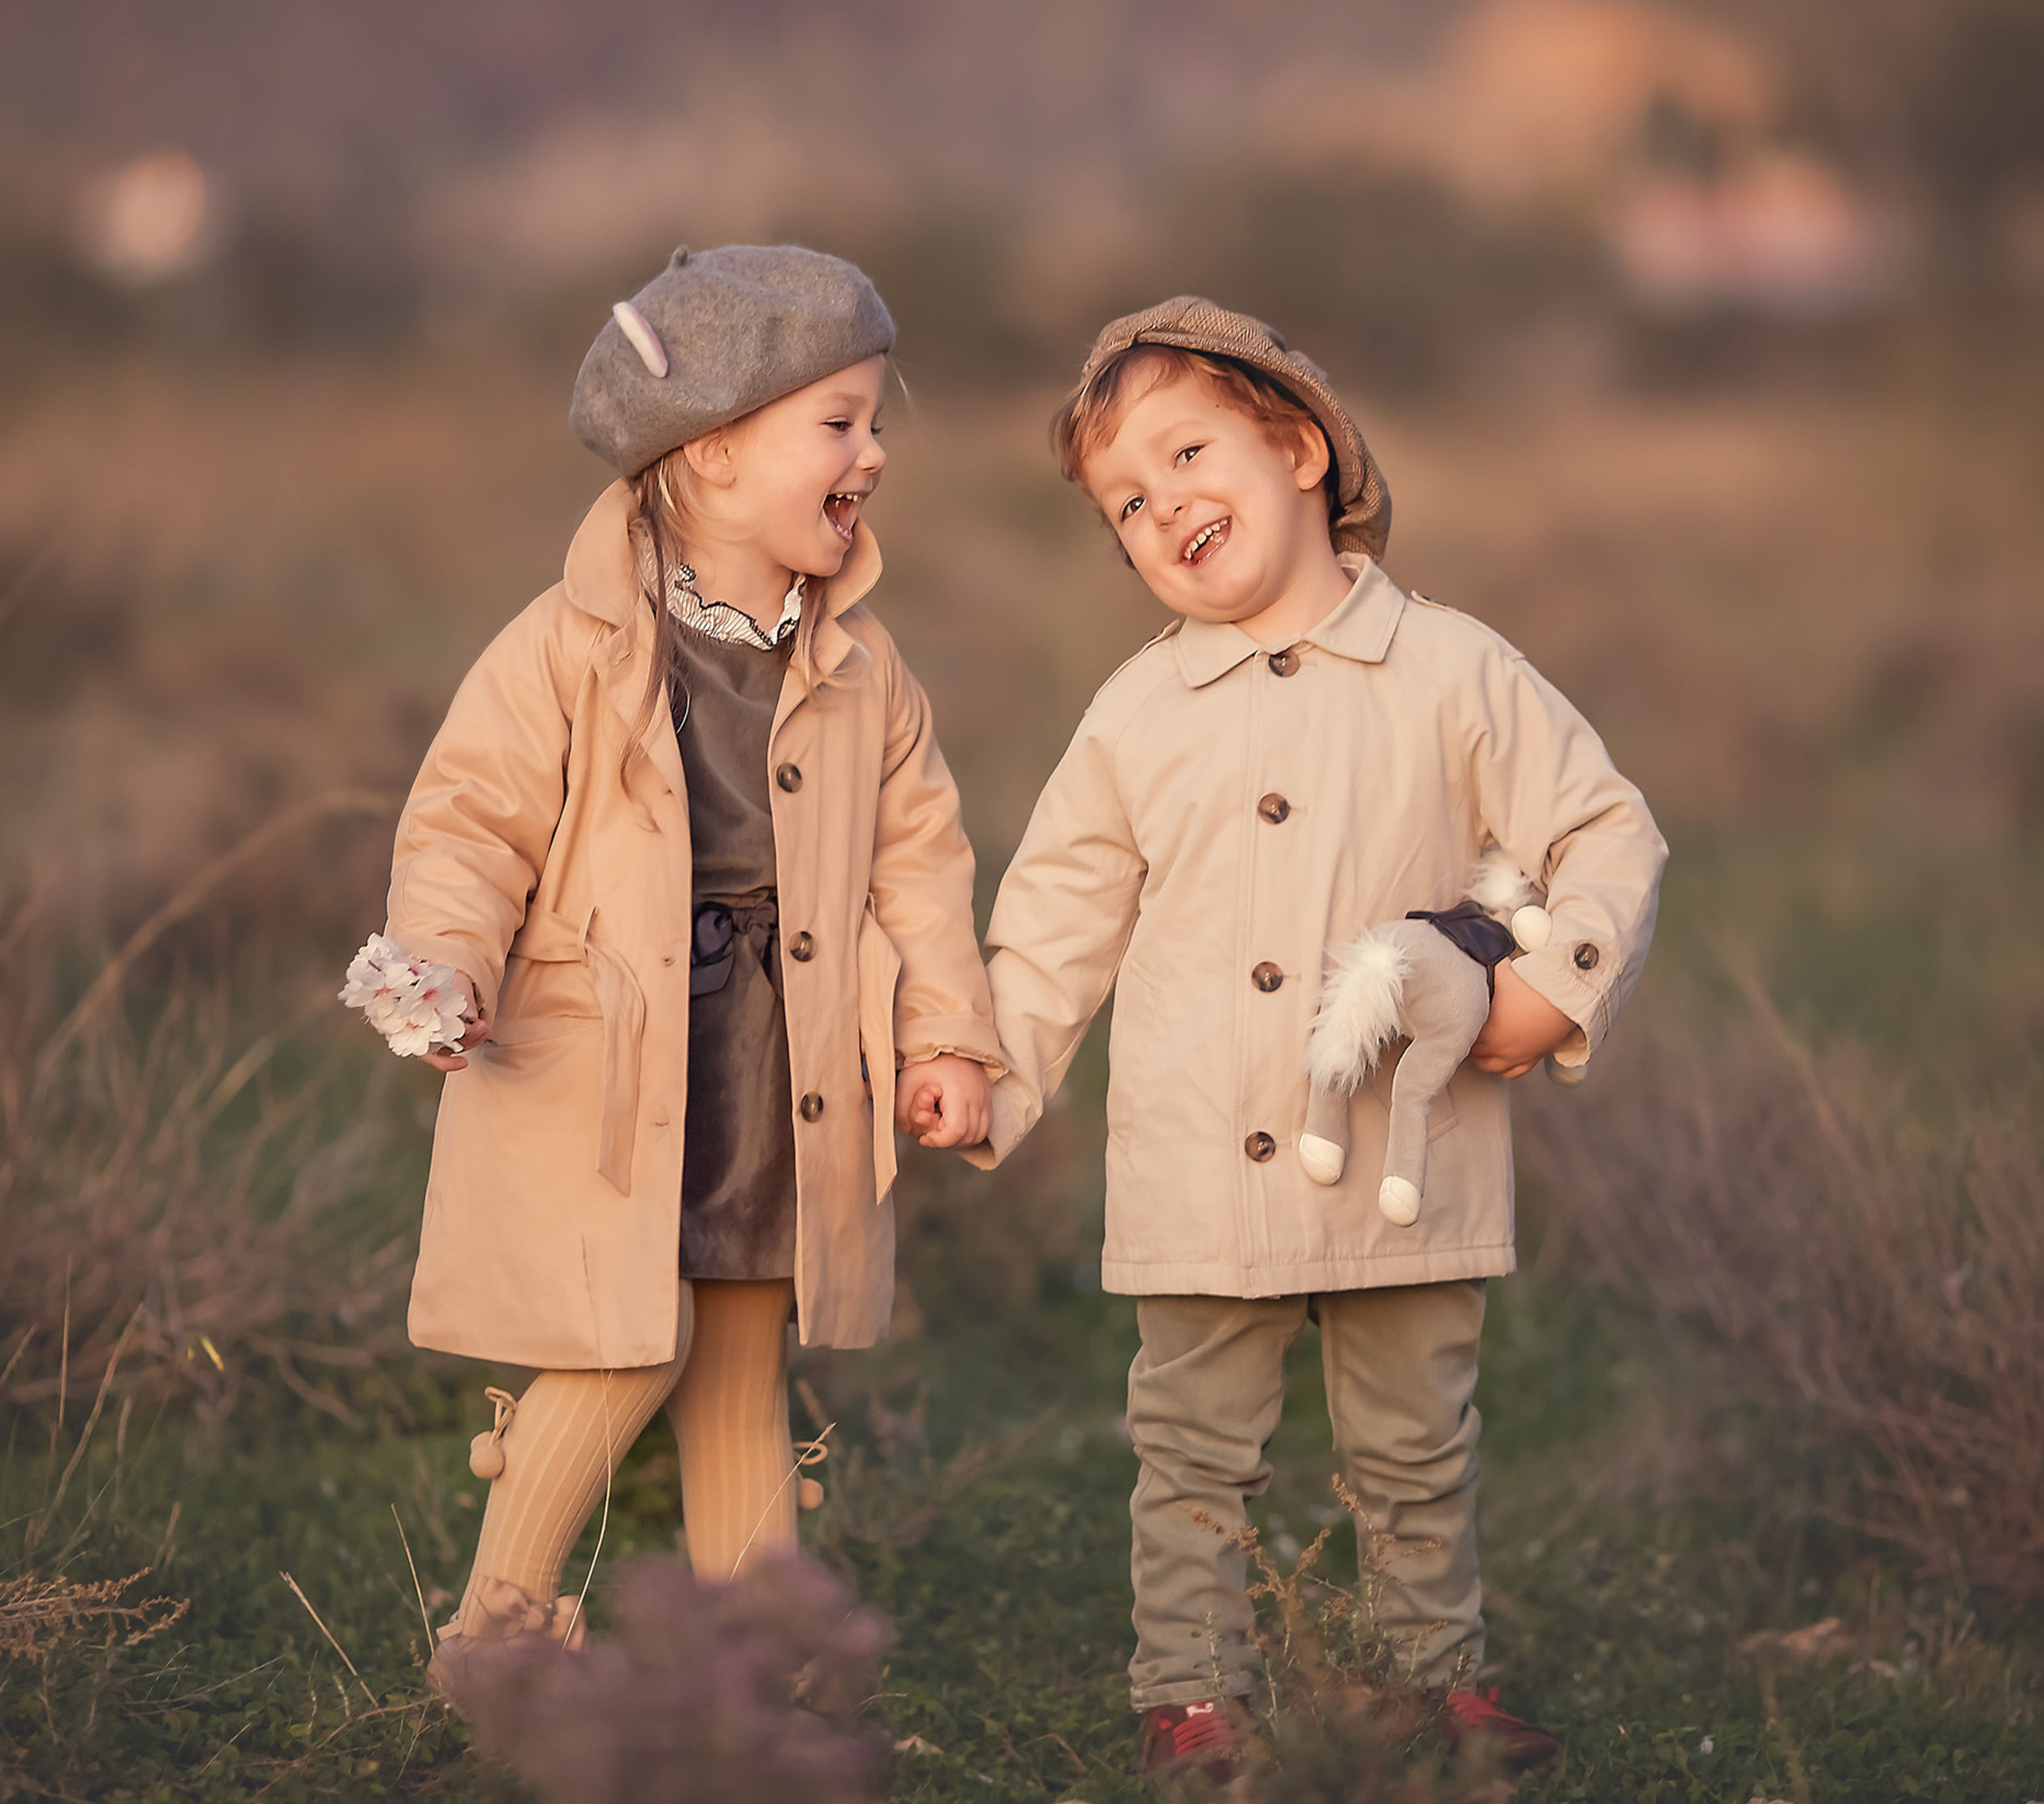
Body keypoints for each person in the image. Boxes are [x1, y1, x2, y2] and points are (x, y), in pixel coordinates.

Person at [969, 296, 1667, 1782]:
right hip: (1200, 1155)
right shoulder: (1138, 712)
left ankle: (1431, 1681)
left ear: (1297, 446)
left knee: (1416, 1443)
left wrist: (1557, 987)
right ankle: (1193, 1694)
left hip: (1405, 1155)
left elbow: (1605, 827)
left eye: (1189, 453)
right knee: (1194, 1449)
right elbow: (1058, 911)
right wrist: (992, 1065)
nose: (1165, 510)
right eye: (1128, 504)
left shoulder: (1452, 668)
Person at [365, 244, 1001, 1692]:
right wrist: (444, 963)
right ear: (714, 454)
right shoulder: (569, 648)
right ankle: (499, 1634)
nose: (875, 453)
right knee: (620, 1344)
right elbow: (471, 820)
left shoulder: (861, 667)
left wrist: (946, 1040)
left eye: (877, 420)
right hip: (626, 1058)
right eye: (838, 423)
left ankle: (760, 1667)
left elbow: (923, 862)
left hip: (785, 1070)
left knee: (737, 1363)